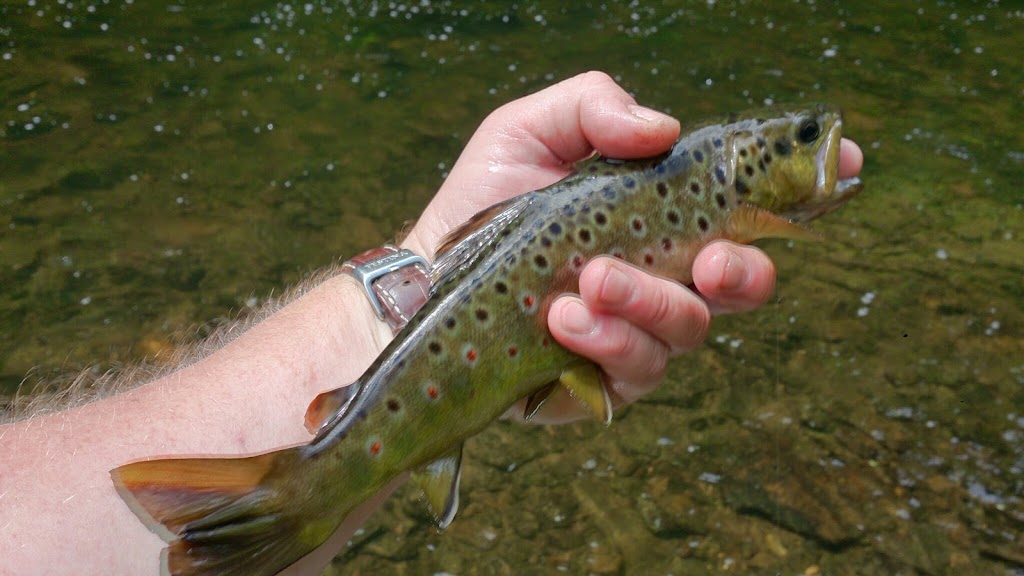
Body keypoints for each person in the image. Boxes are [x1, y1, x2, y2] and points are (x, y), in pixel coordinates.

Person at [0, 71, 863, 574]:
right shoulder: (710, 181)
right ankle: (302, 492)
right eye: (804, 137)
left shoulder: (714, 187)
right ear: (746, 167)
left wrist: (405, 278)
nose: (824, 142)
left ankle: (306, 486)